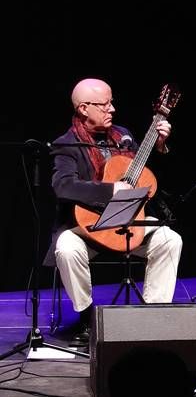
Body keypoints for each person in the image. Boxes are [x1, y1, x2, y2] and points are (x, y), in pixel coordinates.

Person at [43, 78, 183, 347]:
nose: (112, 109)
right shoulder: (66, 145)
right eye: (104, 104)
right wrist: (110, 190)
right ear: (84, 108)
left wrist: (160, 146)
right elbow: (63, 186)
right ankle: (86, 316)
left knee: (170, 239)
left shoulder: (124, 136)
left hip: (129, 220)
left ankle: (153, 314)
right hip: (88, 226)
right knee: (66, 248)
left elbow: (149, 179)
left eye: (111, 102)